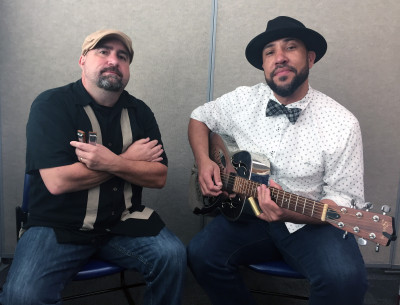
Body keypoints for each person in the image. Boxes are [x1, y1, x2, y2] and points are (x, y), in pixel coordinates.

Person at [187, 16, 367, 305]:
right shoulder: (243, 100)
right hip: (249, 216)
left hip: (309, 221)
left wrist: (289, 212)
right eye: (270, 52)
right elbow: (200, 117)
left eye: (290, 48)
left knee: (345, 279)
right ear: (263, 65)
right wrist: (205, 162)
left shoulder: (342, 123)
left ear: (310, 58)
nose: (279, 58)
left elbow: (343, 202)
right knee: (200, 254)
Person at [0, 29, 186, 305]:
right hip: (57, 225)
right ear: (82, 61)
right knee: (23, 296)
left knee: (173, 256)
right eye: (103, 52)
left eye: (122, 56)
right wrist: (127, 160)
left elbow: (158, 176)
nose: (113, 60)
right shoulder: (51, 105)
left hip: (123, 221)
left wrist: (110, 161)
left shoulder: (139, 111)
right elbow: (58, 181)